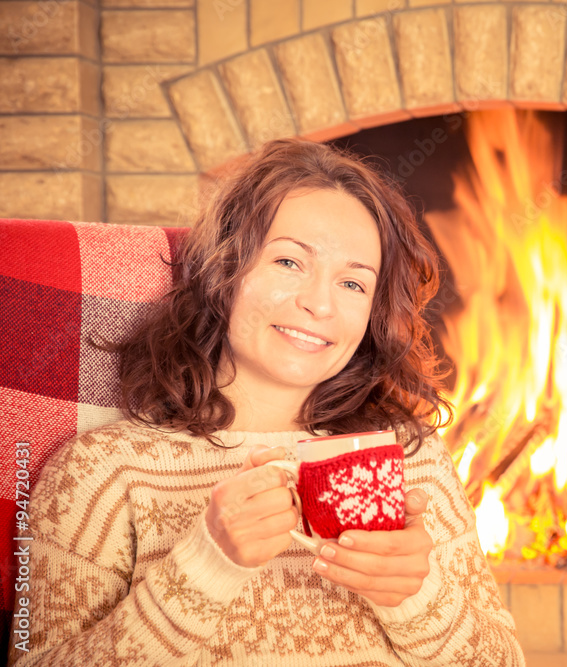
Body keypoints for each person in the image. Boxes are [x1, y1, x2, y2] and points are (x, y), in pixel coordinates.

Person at [11, 139, 526, 666]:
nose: (319, 303)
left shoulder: (414, 463)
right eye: (288, 261)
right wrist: (203, 568)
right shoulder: (99, 473)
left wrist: (416, 597)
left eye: (352, 282)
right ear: (223, 268)